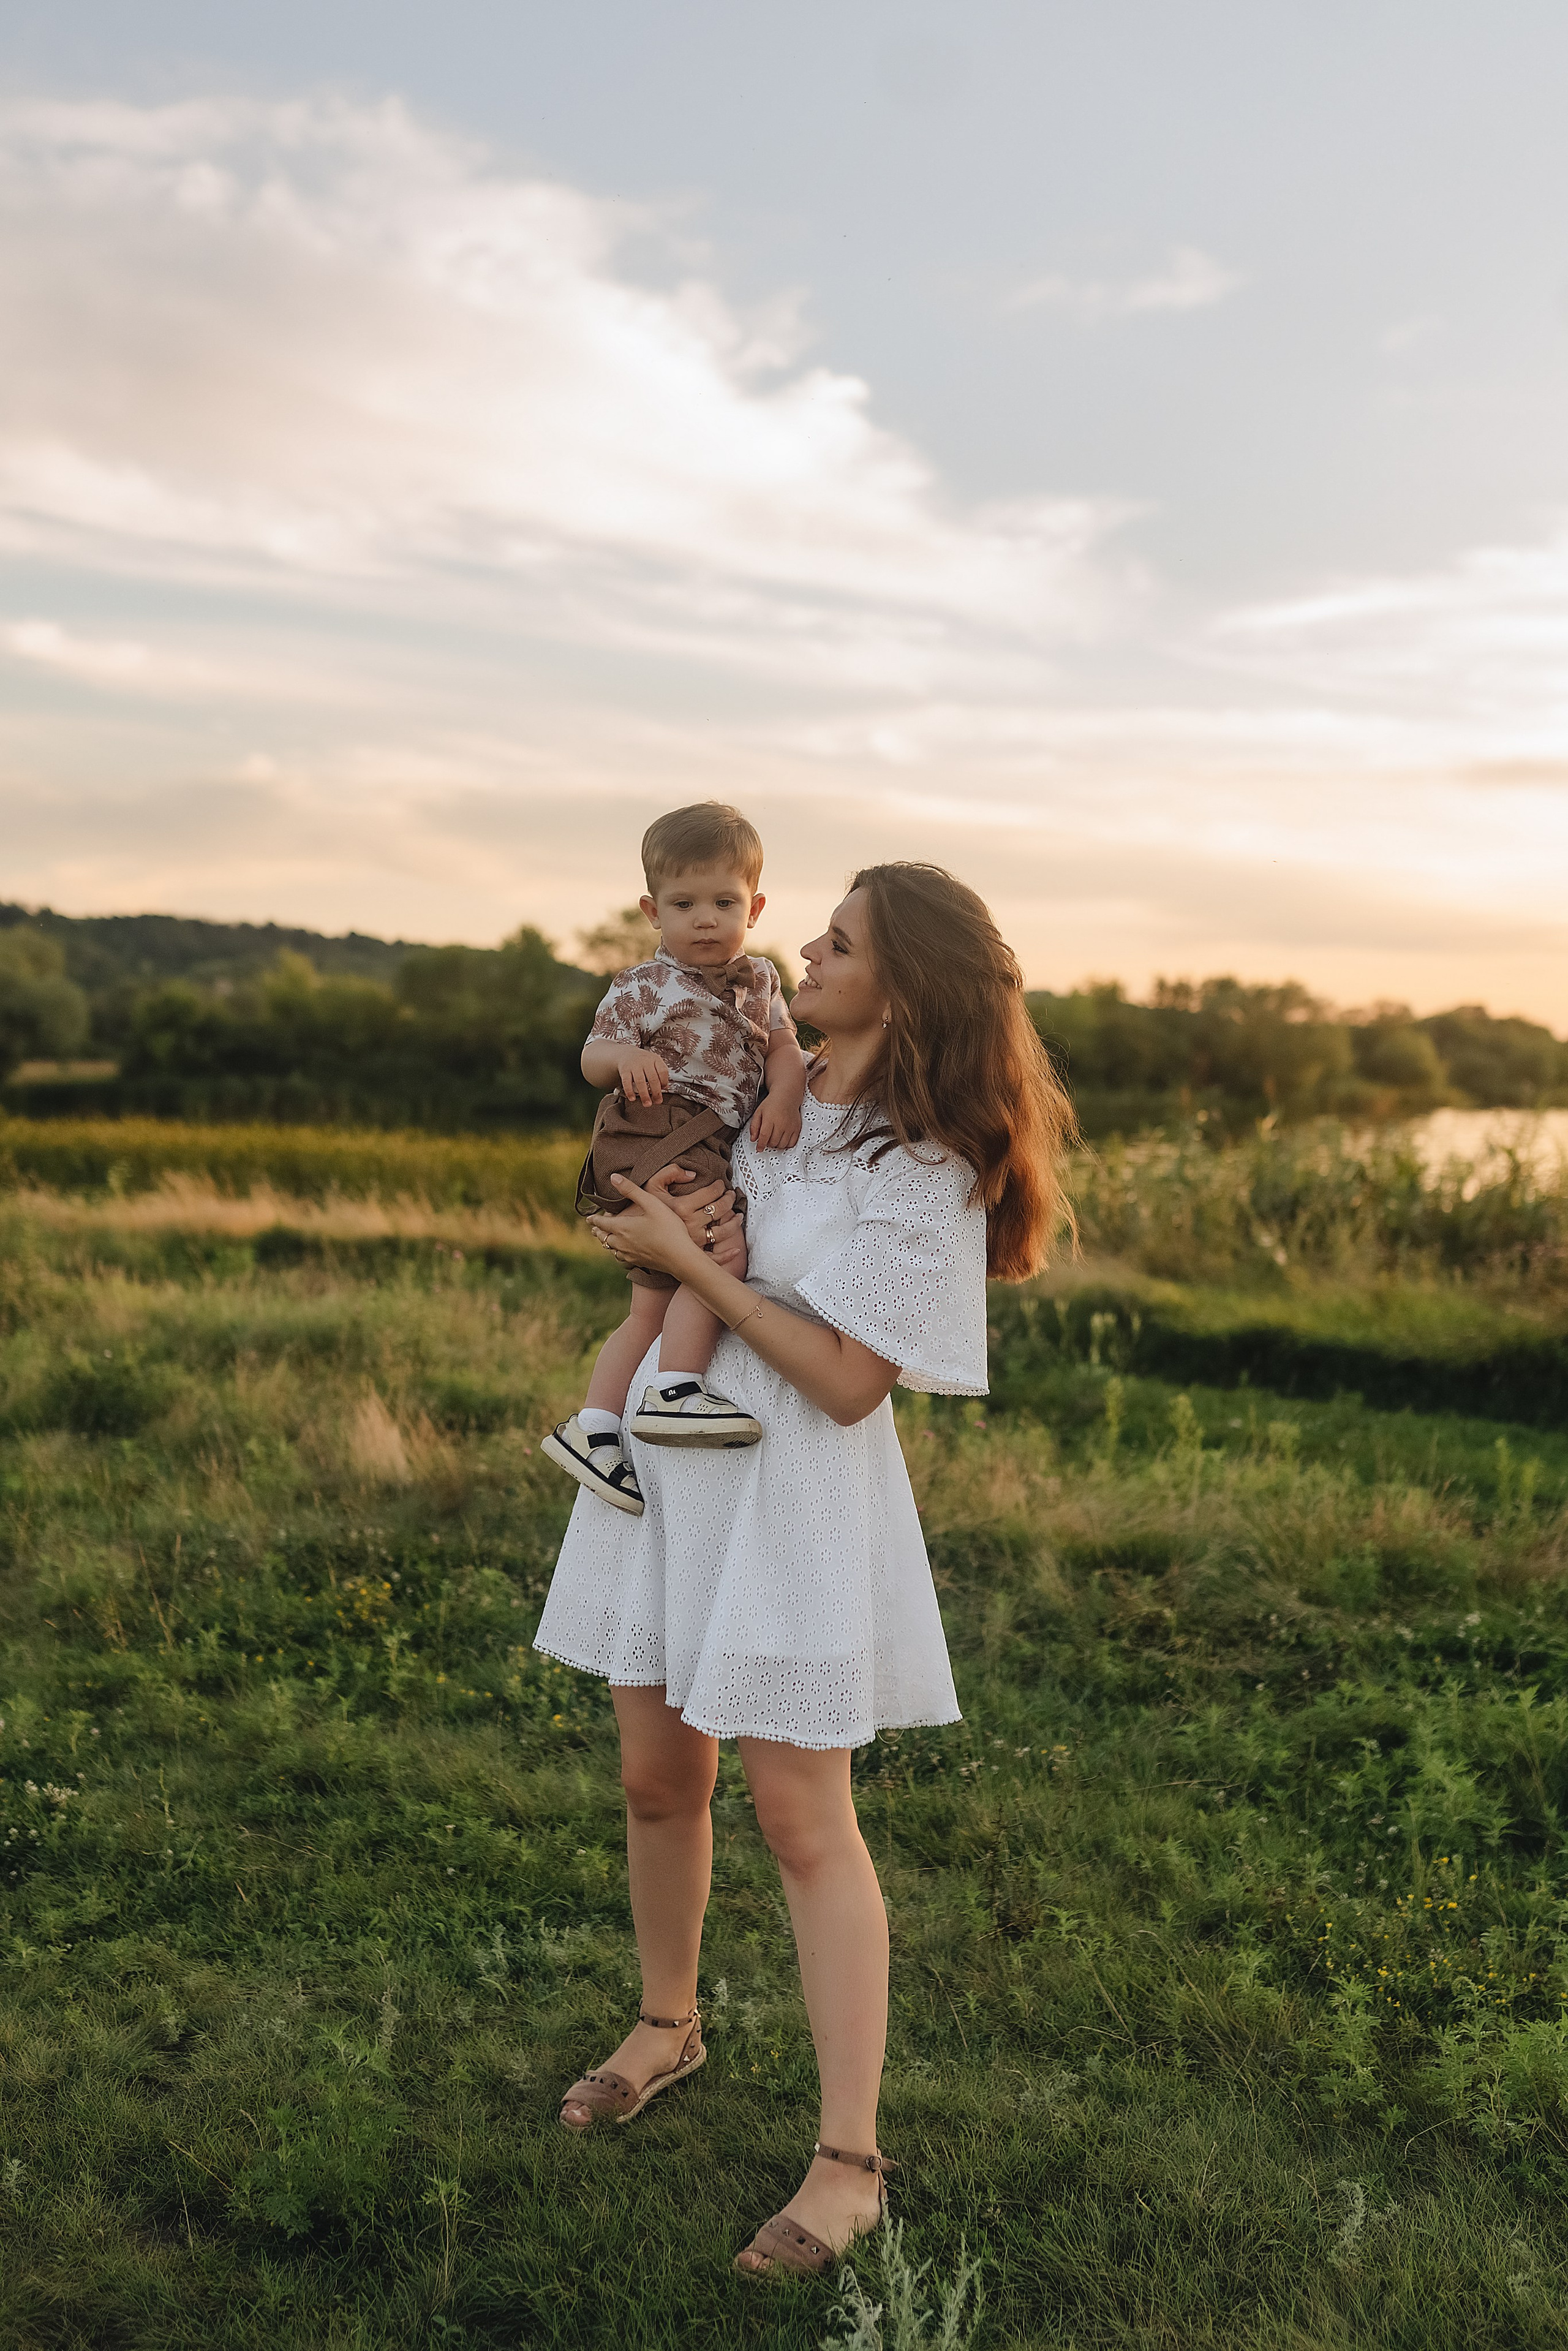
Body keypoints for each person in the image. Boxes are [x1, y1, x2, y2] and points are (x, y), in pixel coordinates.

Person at [531, 862, 1074, 2276]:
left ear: (906, 985)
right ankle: (666, 2023)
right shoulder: (761, 1084)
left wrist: (699, 1270)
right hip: (674, 1464)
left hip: (788, 1491)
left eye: (839, 942)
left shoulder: (924, 1166)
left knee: (799, 1817)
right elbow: (656, 1185)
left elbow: (843, 1380)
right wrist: (653, 1232)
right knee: (656, 1775)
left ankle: (848, 2162)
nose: (808, 955)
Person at [543, 802, 809, 1514]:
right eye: (684, 904)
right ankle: (675, 1389)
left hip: (708, 1137)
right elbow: (592, 1057)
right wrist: (623, 1057)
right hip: (658, 1126)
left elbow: (784, 1047)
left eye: (724, 902)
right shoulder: (640, 986)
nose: (705, 920)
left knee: (650, 1305)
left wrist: (784, 1097)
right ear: (651, 911)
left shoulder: (761, 980)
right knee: (720, 1254)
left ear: (754, 908)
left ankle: (595, 1425)